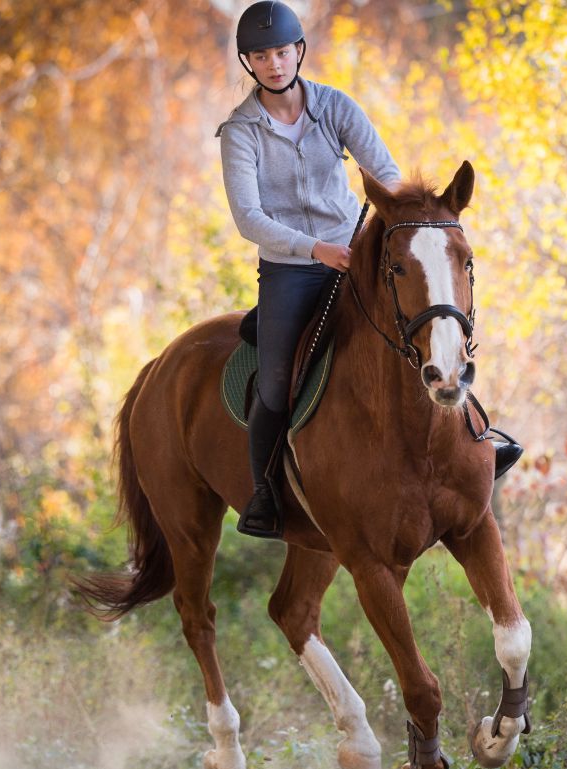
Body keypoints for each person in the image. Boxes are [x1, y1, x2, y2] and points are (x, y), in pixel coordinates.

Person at [217, 0, 522, 539]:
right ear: (249, 63)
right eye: (261, 56)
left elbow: (386, 173)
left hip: (356, 256)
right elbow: (249, 218)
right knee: (276, 383)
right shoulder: (241, 131)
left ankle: (478, 440)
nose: (274, 64)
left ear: (298, 52)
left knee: (423, 329)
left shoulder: (335, 107)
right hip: (291, 270)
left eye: (282, 52)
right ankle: (265, 493)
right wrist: (315, 249)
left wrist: (393, 228)